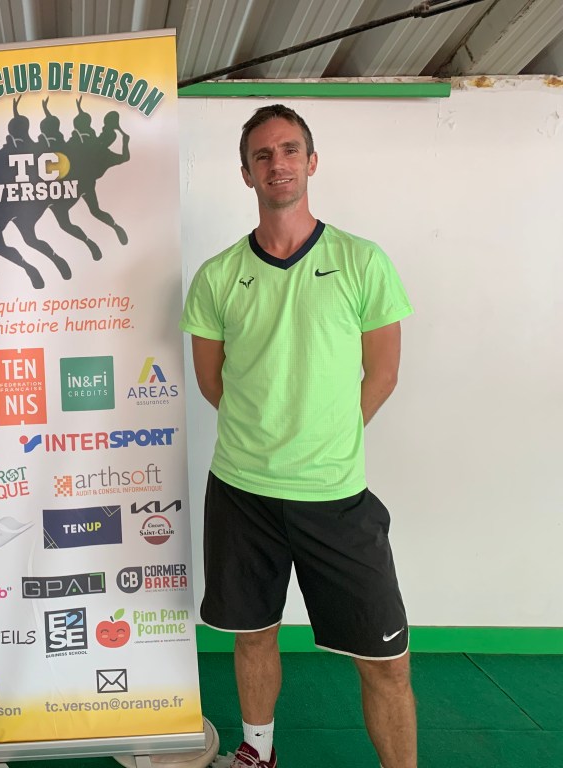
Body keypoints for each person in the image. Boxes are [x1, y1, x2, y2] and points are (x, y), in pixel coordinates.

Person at [181, 104, 415, 768]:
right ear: (246, 173)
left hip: (335, 495)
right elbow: (213, 383)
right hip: (242, 493)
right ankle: (258, 753)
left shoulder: (362, 261)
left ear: (311, 163)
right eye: (262, 154)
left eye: (289, 150)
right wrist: (271, 434)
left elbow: (384, 373)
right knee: (254, 635)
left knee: (388, 662)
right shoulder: (218, 275)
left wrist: (323, 436)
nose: (276, 163)